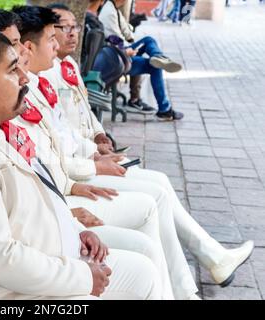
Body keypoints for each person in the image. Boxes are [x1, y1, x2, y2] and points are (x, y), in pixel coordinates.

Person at [0, 27, 163, 300]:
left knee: (144, 269)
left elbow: (41, 193)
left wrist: (76, 232)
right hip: (17, 296)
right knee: (140, 275)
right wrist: (82, 277)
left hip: (51, 265)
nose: (24, 78)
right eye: (13, 70)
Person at [39, 2, 255, 299]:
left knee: (160, 184)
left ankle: (202, 269)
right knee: (153, 199)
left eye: (73, 28)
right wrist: (93, 163)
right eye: (59, 31)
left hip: (83, 163)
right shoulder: (35, 82)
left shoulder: (65, 66)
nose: (72, 35)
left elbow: (77, 122)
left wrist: (100, 136)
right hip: (73, 179)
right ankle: (191, 279)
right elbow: (54, 151)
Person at [99, 0, 185, 120]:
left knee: (148, 41)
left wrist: (131, 44)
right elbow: (115, 41)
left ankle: (158, 56)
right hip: (117, 58)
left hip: (119, 52)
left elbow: (126, 34)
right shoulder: (109, 11)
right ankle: (164, 109)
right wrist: (129, 49)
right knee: (155, 66)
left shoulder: (112, 8)